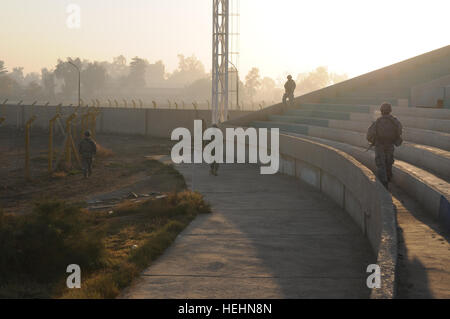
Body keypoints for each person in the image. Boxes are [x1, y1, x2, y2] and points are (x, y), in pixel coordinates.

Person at [366, 103, 403, 189]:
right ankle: (389, 177)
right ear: (390, 111)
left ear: (381, 111)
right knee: (388, 162)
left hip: (380, 145)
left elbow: (369, 135)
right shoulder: (395, 121)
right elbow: (399, 131)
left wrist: (373, 141)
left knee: (381, 163)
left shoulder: (378, 121)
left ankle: (383, 182)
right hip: (390, 145)